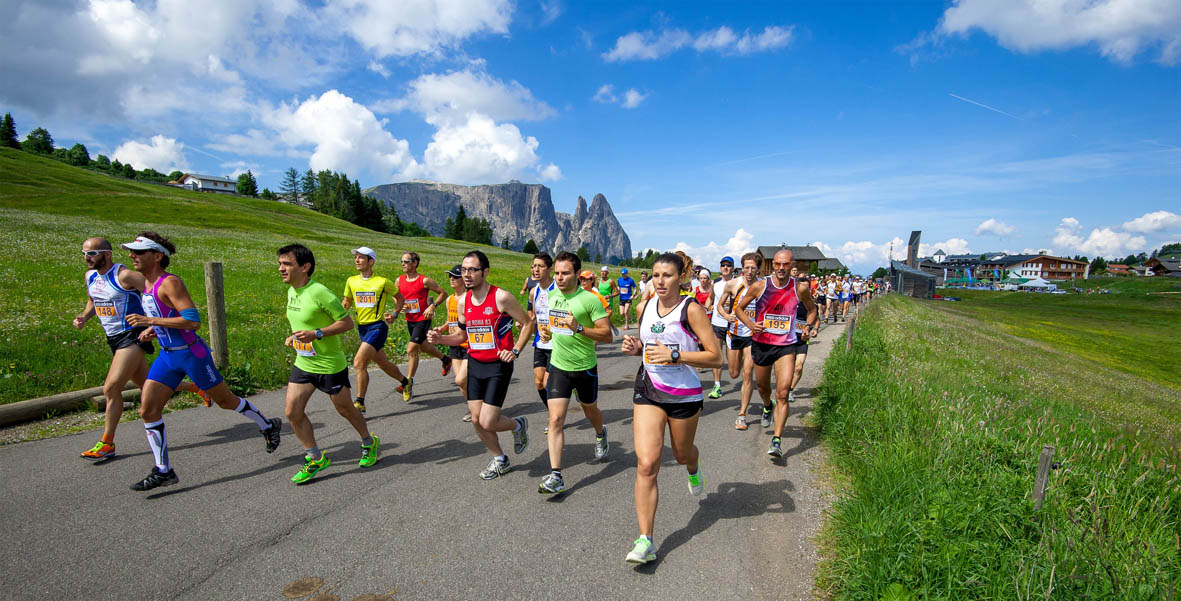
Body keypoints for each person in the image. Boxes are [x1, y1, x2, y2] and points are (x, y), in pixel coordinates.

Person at [120, 233, 281, 491]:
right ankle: (164, 470)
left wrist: (151, 322)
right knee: (147, 409)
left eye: (138, 252)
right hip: (168, 356)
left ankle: (268, 425)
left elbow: (193, 320)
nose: (132, 256)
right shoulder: (147, 285)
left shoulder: (169, 283)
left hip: (191, 355)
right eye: (132, 252)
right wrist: (155, 330)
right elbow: (166, 316)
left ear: (157, 255)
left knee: (226, 401)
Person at [619, 252, 722, 564]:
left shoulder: (692, 310)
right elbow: (649, 347)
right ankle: (645, 540)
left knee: (680, 454)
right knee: (647, 463)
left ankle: (693, 465)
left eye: (666, 275)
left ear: (681, 279)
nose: (659, 281)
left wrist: (677, 356)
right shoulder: (645, 306)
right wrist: (636, 348)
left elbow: (716, 358)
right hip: (649, 389)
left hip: (684, 395)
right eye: (655, 275)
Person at [73, 237, 204, 461]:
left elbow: (155, 289)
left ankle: (107, 443)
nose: (87, 258)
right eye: (84, 253)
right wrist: (85, 316)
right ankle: (197, 387)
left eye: (92, 253)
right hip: (113, 338)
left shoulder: (124, 275)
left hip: (132, 336)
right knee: (147, 385)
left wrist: (155, 321)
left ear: (107, 254)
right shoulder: (91, 277)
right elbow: (93, 299)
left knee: (111, 388)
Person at [427, 250, 533, 480]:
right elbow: (461, 335)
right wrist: (439, 339)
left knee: (488, 420)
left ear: (485, 272)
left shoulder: (501, 297)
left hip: (498, 365)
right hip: (475, 363)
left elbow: (527, 324)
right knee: (476, 419)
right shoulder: (463, 300)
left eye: (472, 270)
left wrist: (515, 351)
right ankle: (499, 459)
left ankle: (517, 426)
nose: (466, 275)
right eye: (464, 270)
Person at [279, 244, 380, 484]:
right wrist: (294, 337)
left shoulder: (320, 292)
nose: (281, 268)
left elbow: (346, 324)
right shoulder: (292, 291)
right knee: (292, 412)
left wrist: (318, 333)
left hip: (329, 365)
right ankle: (314, 457)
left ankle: (369, 442)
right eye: (280, 264)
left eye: (287, 264)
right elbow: (301, 323)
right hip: (304, 363)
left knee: (345, 409)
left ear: (305, 267)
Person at [537, 251, 613, 494]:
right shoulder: (551, 296)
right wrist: (547, 333)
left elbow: (607, 335)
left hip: (585, 367)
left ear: (578, 274)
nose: (559, 277)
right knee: (556, 419)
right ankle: (556, 475)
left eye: (565, 273)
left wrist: (579, 327)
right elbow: (551, 325)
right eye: (557, 273)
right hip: (559, 366)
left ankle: (600, 434)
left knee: (590, 410)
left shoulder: (589, 299)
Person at [734, 249, 818, 458]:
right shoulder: (760, 286)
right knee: (763, 388)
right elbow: (739, 309)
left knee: (782, 392)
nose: (781, 268)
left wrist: (807, 326)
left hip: (786, 346)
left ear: (791, 265)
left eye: (786, 264)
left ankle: (777, 440)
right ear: (773, 265)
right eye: (778, 264)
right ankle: (766, 405)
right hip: (762, 345)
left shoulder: (800, 288)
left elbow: (812, 310)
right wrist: (751, 325)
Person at [340, 246, 408, 413]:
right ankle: (406, 382)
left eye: (361, 257)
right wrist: (337, 317)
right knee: (382, 363)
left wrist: (394, 314)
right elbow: (346, 302)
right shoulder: (351, 281)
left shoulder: (382, 282)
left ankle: (359, 402)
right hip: (362, 328)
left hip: (378, 327)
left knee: (359, 363)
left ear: (371, 262)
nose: (356, 260)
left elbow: (400, 299)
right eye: (355, 257)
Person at [716, 252, 769, 430]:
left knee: (748, 374)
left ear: (758, 269)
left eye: (753, 268)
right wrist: (726, 315)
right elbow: (719, 305)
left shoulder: (763, 286)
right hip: (734, 334)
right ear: (741, 268)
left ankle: (742, 414)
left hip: (753, 336)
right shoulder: (732, 284)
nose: (749, 271)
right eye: (746, 267)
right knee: (733, 373)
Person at [392, 251, 451, 401]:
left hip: (423, 319)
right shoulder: (399, 280)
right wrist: (400, 306)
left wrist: (432, 306)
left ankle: (408, 383)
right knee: (423, 346)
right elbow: (396, 297)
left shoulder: (424, 281)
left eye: (406, 261)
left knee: (411, 349)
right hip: (410, 319)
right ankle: (445, 359)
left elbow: (443, 293)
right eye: (402, 261)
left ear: (415, 263)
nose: (403, 264)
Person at [438, 264, 472, 422]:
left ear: (463, 280)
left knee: (461, 380)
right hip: (454, 343)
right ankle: (474, 406)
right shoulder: (450, 299)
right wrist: (441, 328)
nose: (451, 279)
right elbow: (449, 321)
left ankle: (476, 406)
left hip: (468, 344)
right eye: (449, 276)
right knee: (460, 382)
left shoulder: (470, 298)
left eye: (455, 276)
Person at [526, 253, 557, 410]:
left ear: (550, 269)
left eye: (540, 266)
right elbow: (533, 317)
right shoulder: (534, 292)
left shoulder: (558, 289)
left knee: (547, 382)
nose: (535, 269)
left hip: (557, 344)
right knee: (539, 383)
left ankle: (554, 418)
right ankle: (551, 412)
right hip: (540, 343)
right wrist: (526, 324)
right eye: (533, 266)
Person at [705, 257, 735, 400]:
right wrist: (706, 308)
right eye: (723, 265)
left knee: (733, 364)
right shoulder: (715, 283)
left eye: (728, 265)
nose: (725, 267)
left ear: (733, 268)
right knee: (717, 355)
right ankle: (717, 385)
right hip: (717, 323)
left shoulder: (737, 283)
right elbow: (710, 298)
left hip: (733, 324)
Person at [787, 267, 815, 403]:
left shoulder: (810, 303)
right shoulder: (790, 300)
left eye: (807, 288)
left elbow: (817, 318)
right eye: (801, 287)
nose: (804, 291)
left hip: (803, 339)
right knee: (788, 367)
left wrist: (813, 329)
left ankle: (790, 390)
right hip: (789, 339)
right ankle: (784, 388)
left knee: (799, 366)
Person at [581, 270, 620, 337]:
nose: (583, 281)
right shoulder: (578, 292)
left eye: (586, 279)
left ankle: (609, 327)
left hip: (606, 301)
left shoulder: (596, 294)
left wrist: (597, 320)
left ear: (592, 280)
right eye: (581, 279)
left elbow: (608, 311)